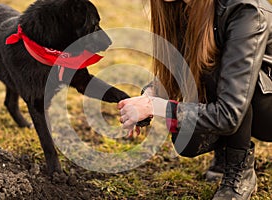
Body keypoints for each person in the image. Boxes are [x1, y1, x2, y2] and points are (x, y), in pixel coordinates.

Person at [117, 0, 272, 199]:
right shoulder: (179, 5)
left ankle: (239, 169)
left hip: (265, 106)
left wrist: (155, 106)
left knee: (217, 68)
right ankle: (226, 149)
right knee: (187, 141)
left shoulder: (245, 10)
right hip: (238, 95)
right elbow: (177, 66)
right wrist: (147, 97)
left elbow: (229, 113)